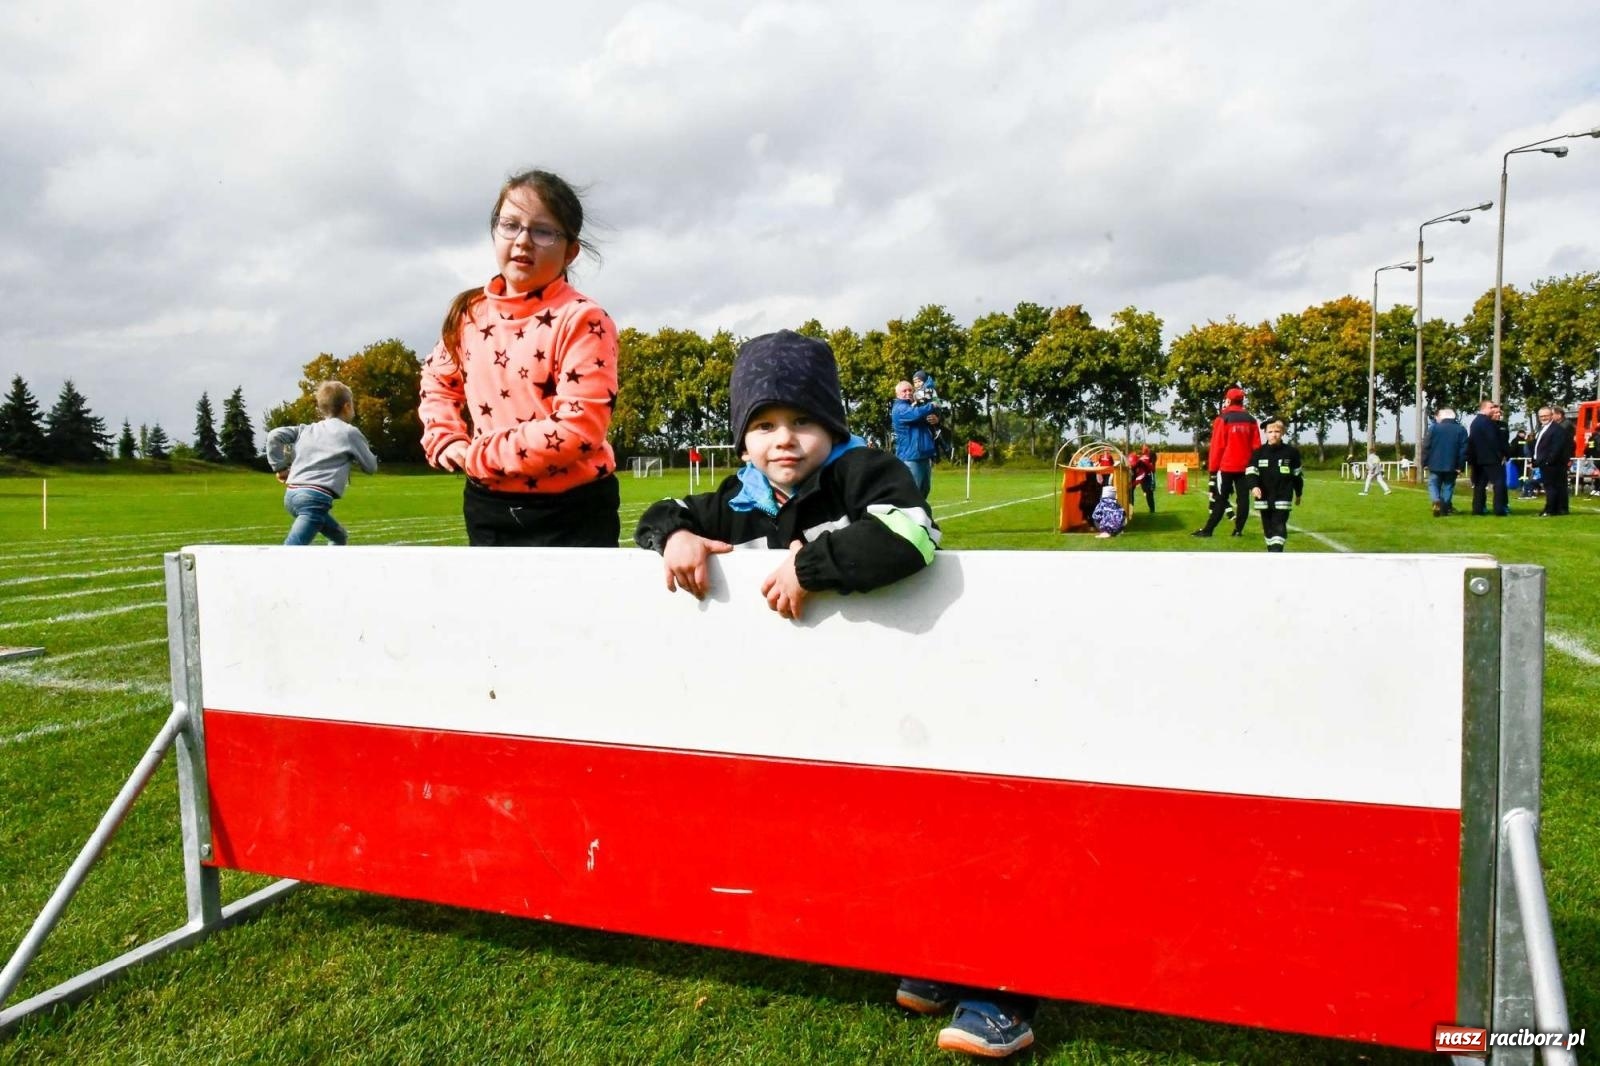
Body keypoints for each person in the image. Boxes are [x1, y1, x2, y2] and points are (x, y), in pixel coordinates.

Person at [418, 169, 620, 546]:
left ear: (570, 250)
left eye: (543, 231)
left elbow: (580, 428)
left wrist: (479, 455)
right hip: (488, 507)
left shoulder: (583, 320)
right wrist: (444, 437)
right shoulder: (470, 314)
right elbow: (437, 382)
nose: (523, 241)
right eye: (510, 225)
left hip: (573, 511)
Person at [266, 380, 378, 546]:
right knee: (290, 552)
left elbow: (274, 435)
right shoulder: (350, 433)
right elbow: (371, 467)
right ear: (347, 407)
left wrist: (280, 467)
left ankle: (331, 570)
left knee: (339, 536)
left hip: (291, 496)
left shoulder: (306, 429)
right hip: (314, 500)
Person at [1191, 386, 1260, 538]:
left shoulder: (1223, 419)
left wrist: (1213, 470)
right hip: (1246, 467)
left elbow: (1217, 446)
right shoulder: (1251, 420)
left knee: (1220, 499)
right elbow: (1256, 447)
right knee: (1243, 499)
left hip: (1226, 466)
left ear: (1228, 400)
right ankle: (1238, 530)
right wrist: (1255, 467)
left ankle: (1208, 530)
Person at [1245, 420, 1303, 552]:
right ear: (1265, 433)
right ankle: (1272, 552)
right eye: (1270, 432)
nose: (1274, 435)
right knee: (1268, 528)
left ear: (1282, 433)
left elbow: (1297, 476)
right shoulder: (1258, 452)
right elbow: (1251, 472)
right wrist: (1254, 487)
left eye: (1277, 431)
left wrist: (1299, 493)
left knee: (1279, 524)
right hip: (1263, 497)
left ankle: (1277, 552)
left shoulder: (1291, 452)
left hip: (1283, 496)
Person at [892, 378, 940, 498]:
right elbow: (915, 414)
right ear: (897, 394)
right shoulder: (900, 408)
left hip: (923, 455)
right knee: (912, 495)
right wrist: (932, 404)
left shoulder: (915, 406)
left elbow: (926, 420)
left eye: (910, 390)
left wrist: (935, 419)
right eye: (904, 391)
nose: (908, 393)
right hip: (910, 457)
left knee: (924, 492)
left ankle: (922, 516)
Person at [1420, 407, 1467, 517]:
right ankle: (1445, 507)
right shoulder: (1461, 429)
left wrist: (1424, 462)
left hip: (1434, 463)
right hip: (1452, 465)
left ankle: (1436, 500)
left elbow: (1426, 446)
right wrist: (1460, 466)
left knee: (1433, 484)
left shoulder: (1434, 428)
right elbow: (1463, 450)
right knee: (1448, 486)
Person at [1467, 400, 1509, 516]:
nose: (1494, 410)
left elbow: (1471, 442)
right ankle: (1499, 509)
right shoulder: (1488, 423)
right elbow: (1494, 441)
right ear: (1484, 408)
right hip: (1491, 459)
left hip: (1478, 460)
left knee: (1480, 485)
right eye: (1491, 407)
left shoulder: (1475, 422)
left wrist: (1472, 459)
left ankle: (1478, 509)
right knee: (1499, 483)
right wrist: (1501, 455)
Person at [1534, 405, 1575, 517]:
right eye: (1541, 416)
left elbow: (1556, 447)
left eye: (1546, 415)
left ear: (1551, 415)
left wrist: (1549, 461)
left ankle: (1551, 509)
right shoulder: (1543, 428)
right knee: (1551, 486)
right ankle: (1553, 508)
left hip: (1552, 464)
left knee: (1551, 487)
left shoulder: (1556, 429)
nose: (1543, 418)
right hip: (1544, 462)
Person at [1128, 444, 1156, 513]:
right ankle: (1130, 510)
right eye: (1143, 447)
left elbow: (1142, 475)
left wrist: (1133, 483)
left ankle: (1152, 510)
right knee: (1130, 492)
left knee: (1148, 492)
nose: (1143, 449)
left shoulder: (1151, 455)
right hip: (1139, 475)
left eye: (1145, 448)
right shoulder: (1139, 458)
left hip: (1146, 476)